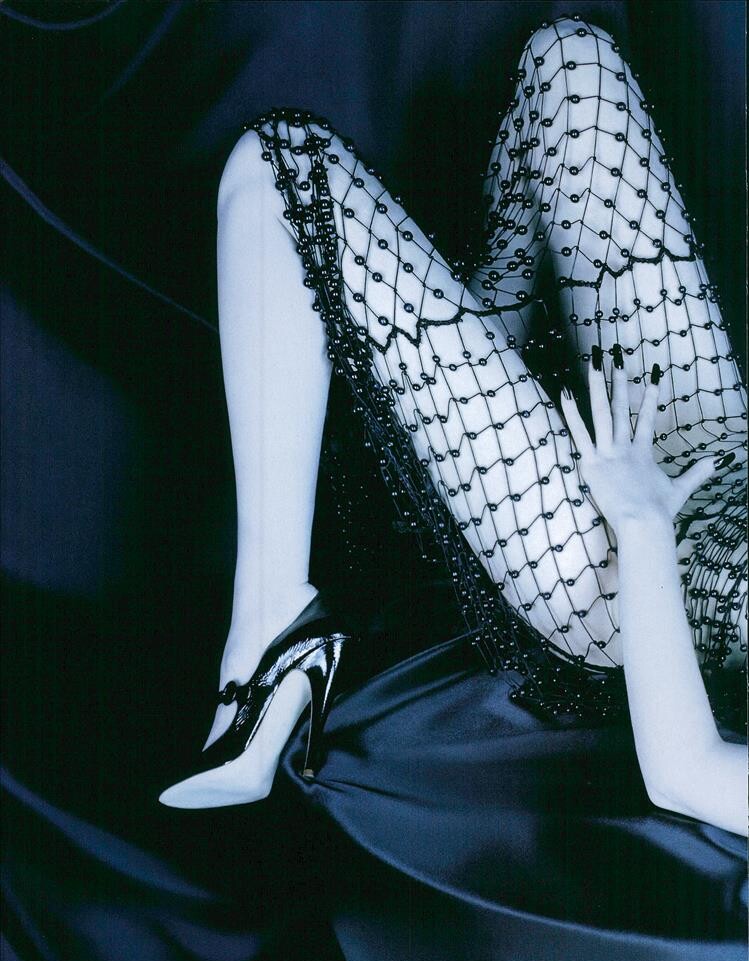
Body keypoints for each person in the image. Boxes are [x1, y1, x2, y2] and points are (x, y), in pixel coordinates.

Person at [159, 14, 747, 838]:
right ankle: (441, 424)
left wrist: (645, 525)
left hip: (635, 588)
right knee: (572, 65)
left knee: (281, 167)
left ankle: (273, 634)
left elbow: (686, 775)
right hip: (724, 463)